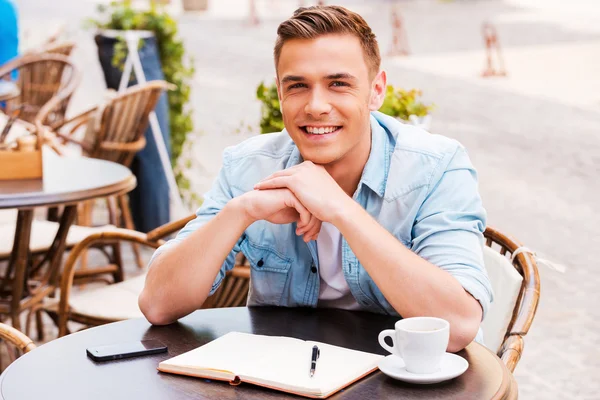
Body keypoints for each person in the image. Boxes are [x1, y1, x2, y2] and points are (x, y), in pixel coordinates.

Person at [139, 5, 493, 352]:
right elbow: (157, 305)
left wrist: (341, 209)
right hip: (286, 380)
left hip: (404, 383)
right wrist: (241, 211)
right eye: (297, 86)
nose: (315, 106)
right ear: (280, 93)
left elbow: (457, 326)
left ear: (376, 91)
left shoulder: (436, 167)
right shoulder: (249, 167)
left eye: (338, 83)